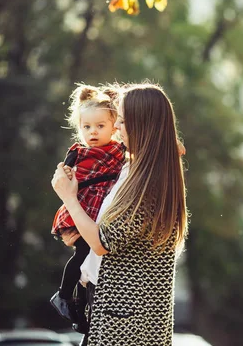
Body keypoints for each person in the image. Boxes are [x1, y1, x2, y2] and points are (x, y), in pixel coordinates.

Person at [52, 82, 188, 345]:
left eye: (122, 122)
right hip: (108, 310)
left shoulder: (150, 183)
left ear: (141, 125)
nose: (115, 127)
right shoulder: (130, 167)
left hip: (127, 324)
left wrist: (69, 198)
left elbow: (103, 242)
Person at [49, 84, 125, 324]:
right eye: (87, 127)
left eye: (100, 126)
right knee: (83, 253)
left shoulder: (119, 150)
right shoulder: (78, 153)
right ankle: (63, 296)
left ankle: (80, 307)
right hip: (83, 208)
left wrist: (172, 145)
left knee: (90, 258)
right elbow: (64, 180)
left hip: (99, 212)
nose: (93, 132)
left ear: (114, 126)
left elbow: (146, 149)